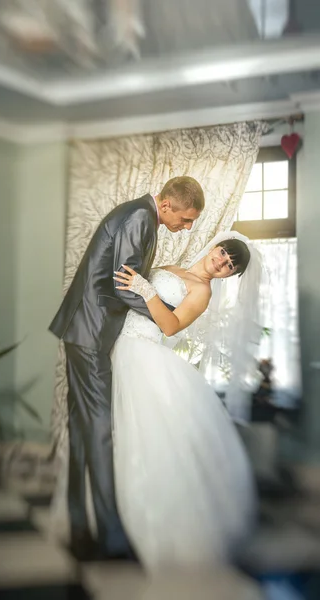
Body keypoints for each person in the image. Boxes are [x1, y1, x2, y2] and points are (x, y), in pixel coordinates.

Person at [49, 176, 205, 561]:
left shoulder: (140, 215)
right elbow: (123, 286)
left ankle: (80, 527)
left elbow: (124, 281)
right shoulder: (141, 218)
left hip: (84, 329)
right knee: (100, 428)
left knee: (84, 428)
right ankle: (111, 535)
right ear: (166, 205)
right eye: (185, 219)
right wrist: (162, 315)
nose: (186, 228)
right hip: (91, 332)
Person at [111, 231, 263, 570]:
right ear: (216, 246)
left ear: (229, 276)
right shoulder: (172, 267)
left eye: (229, 266)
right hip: (121, 345)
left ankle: (152, 530)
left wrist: (147, 290)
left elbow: (170, 326)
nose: (221, 263)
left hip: (143, 354)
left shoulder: (202, 291)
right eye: (224, 254)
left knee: (146, 442)